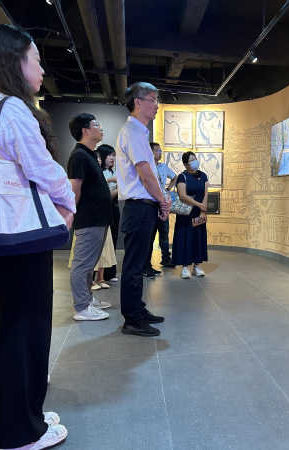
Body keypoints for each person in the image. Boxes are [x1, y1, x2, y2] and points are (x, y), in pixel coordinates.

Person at [0, 24, 74, 449]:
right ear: (15, 61)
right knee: (25, 325)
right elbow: (42, 168)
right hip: (22, 232)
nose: (42, 69)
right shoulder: (13, 108)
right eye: (36, 60)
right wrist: (68, 204)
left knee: (4, 315)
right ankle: (20, 432)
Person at [115, 82, 170, 337]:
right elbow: (146, 174)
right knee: (134, 266)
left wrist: (159, 200)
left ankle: (138, 309)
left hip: (143, 207)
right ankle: (132, 319)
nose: (157, 105)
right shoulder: (133, 131)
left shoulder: (137, 132)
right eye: (153, 99)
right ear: (138, 102)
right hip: (139, 207)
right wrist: (163, 201)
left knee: (139, 264)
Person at [67, 113, 112, 320]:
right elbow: (74, 190)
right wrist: (70, 215)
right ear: (85, 130)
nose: (100, 128)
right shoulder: (79, 156)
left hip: (99, 218)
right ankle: (82, 308)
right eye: (96, 125)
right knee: (82, 264)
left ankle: (87, 299)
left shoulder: (90, 155)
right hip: (89, 219)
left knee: (89, 264)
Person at [172, 151, 209, 279]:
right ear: (185, 164)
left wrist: (202, 210)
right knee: (185, 238)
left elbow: (205, 194)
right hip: (186, 213)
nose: (195, 162)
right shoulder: (182, 177)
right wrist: (199, 205)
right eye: (191, 160)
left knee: (198, 238)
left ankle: (197, 266)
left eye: (195, 159)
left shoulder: (203, 175)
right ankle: (185, 267)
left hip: (199, 212)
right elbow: (182, 196)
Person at [142, 142, 176, 278]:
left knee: (164, 231)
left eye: (161, 151)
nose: (160, 153)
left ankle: (165, 258)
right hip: (150, 203)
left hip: (162, 203)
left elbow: (174, 177)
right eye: (157, 151)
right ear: (150, 152)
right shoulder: (146, 166)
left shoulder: (163, 167)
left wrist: (167, 190)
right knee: (149, 236)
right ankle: (146, 265)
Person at [97, 144, 120, 283]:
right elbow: (104, 192)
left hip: (114, 208)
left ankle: (110, 273)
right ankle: (97, 274)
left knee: (113, 240)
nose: (112, 158)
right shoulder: (98, 171)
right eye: (109, 155)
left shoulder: (115, 172)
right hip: (101, 208)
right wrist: (116, 185)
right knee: (101, 241)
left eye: (114, 155)